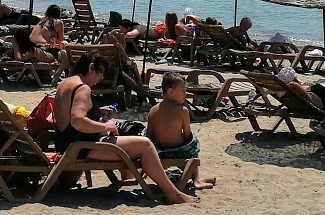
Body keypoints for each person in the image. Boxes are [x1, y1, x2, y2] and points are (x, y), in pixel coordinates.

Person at [54, 56, 194, 204]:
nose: (102, 77)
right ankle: (172, 193)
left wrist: (98, 111)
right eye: (101, 72)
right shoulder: (83, 88)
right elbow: (77, 121)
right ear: (90, 68)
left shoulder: (66, 83)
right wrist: (106, 126)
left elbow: (70, 114)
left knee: (135, 141)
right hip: (83, 147)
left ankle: (132, 176)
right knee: (145, 145)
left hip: (66, 144)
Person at [146, 73, 213, 188]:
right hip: (177, 152)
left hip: (159, 152)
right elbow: (187, 135)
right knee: (193, 143)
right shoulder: (182, 111)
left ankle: (194, 178)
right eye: (183, 91)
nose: (185, 94)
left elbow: (149, 136)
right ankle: (196, 179)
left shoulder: (153, 110)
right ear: (171, 92)